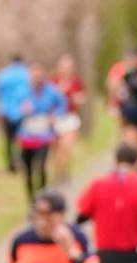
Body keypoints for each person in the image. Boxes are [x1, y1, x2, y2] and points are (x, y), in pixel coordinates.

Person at [16, 63, 69, 201]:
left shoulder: (51, 91)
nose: (36, 79)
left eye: (39, 76)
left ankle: (43, 197)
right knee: (28, 170)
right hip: (27, 135)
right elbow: (12, 111)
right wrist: (21, 111)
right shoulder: (22, 92)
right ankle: (31, 200)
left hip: (44, 135)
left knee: (41, 166)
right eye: (34, 76)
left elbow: (63, 104)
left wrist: (55, 115)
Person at [49, 54, 87, 186]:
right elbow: (48, 99)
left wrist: (77, 98)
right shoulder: (53, 81)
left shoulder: (76, 81)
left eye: (69, 67)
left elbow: (82, 97)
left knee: (67, 147)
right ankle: (58, 173)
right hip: (56, 118)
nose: (66, 69)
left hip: (70, 117)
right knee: (57, 150)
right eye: (64, 67)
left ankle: (65, 172)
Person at [0, 55, 31, 173]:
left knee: (8, 139)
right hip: (22, 112)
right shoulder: (27, 74)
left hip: (6, 112)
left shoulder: (3, 74)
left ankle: (10, 165)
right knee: (23, 138)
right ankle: (22, 161)